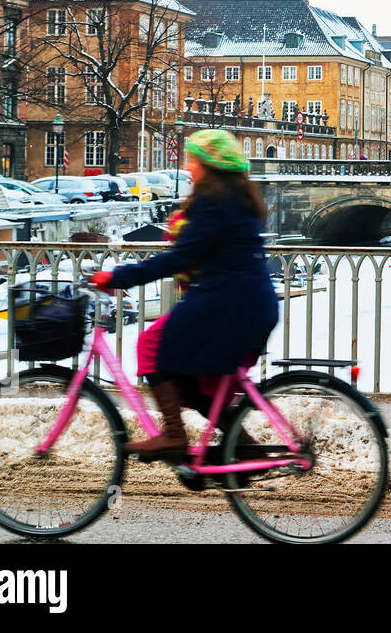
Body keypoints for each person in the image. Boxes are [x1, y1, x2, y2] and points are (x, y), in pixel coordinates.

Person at [91, 129, 278, 461]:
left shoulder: (215, 201)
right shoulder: (235, 198)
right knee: (201, 384)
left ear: (210, 164)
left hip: (228, 306)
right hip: (246, 304)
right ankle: (246, 450)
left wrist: (120, 276)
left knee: (151, 344)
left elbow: (182, 257)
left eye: (194, 159)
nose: (189, 167)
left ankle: (174, 436)